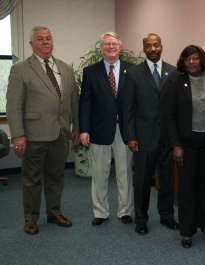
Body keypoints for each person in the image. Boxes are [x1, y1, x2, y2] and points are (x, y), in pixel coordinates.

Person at [6, 26, 80, 235]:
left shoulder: (65, 68)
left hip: (61, 134)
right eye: (40, 39)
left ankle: (54, 213)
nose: (45, 42)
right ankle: (31, 218)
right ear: (32, 43)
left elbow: (74, 101)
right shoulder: (20, 69)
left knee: (56, 176)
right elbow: (13, 105)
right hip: (34, 135)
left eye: (48, 38)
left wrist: (77, 128)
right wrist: (18, 134)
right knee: (32, 178)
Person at [123, 33, 180, 235]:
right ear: (144, 48)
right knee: (143, 181)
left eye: (156, 45)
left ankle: (166, 215)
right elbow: (127, 108)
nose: (153, 49)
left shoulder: (173, 72)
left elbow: (177, 107)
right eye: (149, 46)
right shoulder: (132, 73)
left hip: (167, 137)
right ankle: (141, 219)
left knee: (167, 180)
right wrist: (130, 136)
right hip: (143, 138)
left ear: (161, 46)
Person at [164, 45, 205, 248]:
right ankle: (186, 230)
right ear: (183, 62)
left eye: (195, 58)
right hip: (186, 143)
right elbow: (168, 115)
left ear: (202, 59)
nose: (192, 62)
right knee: (187, 187)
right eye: (188, 59)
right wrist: (176, 145)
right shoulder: (176, 81)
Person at [78, 32, 134, 226]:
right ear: (101, 48)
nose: (111, 47)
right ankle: (100, 212)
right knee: (100, 173)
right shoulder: (90, 71)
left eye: (114, 44)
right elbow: (85, 103)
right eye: (107, 44)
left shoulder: (132, 70)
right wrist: (84, 129)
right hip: (99, 129)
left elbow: (136, 103)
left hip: (125, 131)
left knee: (124, 173)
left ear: (120, 47)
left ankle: (125, 211)